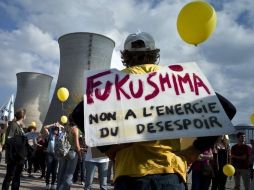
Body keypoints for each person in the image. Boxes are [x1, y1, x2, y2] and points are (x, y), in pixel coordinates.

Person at [71, 32, 237, 190]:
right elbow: (227, 108)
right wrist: (195, 150)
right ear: (154, 54)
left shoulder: (111, 84)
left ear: (126, 56)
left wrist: (108, 149)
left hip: (129, 174)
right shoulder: (176, 80)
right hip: (170, 173)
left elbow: (78, 113)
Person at [2, 109, 28, 190]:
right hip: (13, 156)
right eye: (26, 115)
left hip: (19, 156)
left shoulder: (20, 126)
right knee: (10, 176)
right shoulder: (13, 125)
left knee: (16, 177)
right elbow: (9, 139)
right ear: (23, 116)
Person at [56, 114, 83, 190]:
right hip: (72, 153)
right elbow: (77, 145)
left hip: (64, 152)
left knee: (61, 172)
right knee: (69, 174)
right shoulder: (75, 129)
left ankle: (59, 188)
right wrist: (80, 155)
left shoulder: (66, 128)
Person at [44, 122, 63, 190]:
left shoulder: (60, 136)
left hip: (57, 155)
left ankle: (52, 184)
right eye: (55, 129)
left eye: (57, 130)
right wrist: (53, 124)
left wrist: (60, 126)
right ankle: (47, 184)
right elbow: (45, 127)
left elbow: (65, 131)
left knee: (54, 171)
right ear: (53, 130)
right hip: (49, 155)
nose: (56, 131)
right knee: (48, 170)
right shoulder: (50, 135)